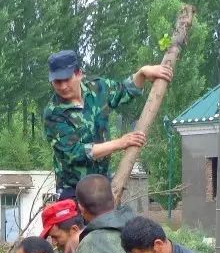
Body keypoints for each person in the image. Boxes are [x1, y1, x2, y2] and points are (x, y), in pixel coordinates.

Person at [44, 51, 173, 198]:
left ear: (79, 73)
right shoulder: (53, 113)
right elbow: (76, 153)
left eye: (67, 79)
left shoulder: (97, 88)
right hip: (74, 191)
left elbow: (124, 91)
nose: (63, 86)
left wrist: (142, 73)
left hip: (103, 184)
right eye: (57, 82)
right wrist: (121, 143)